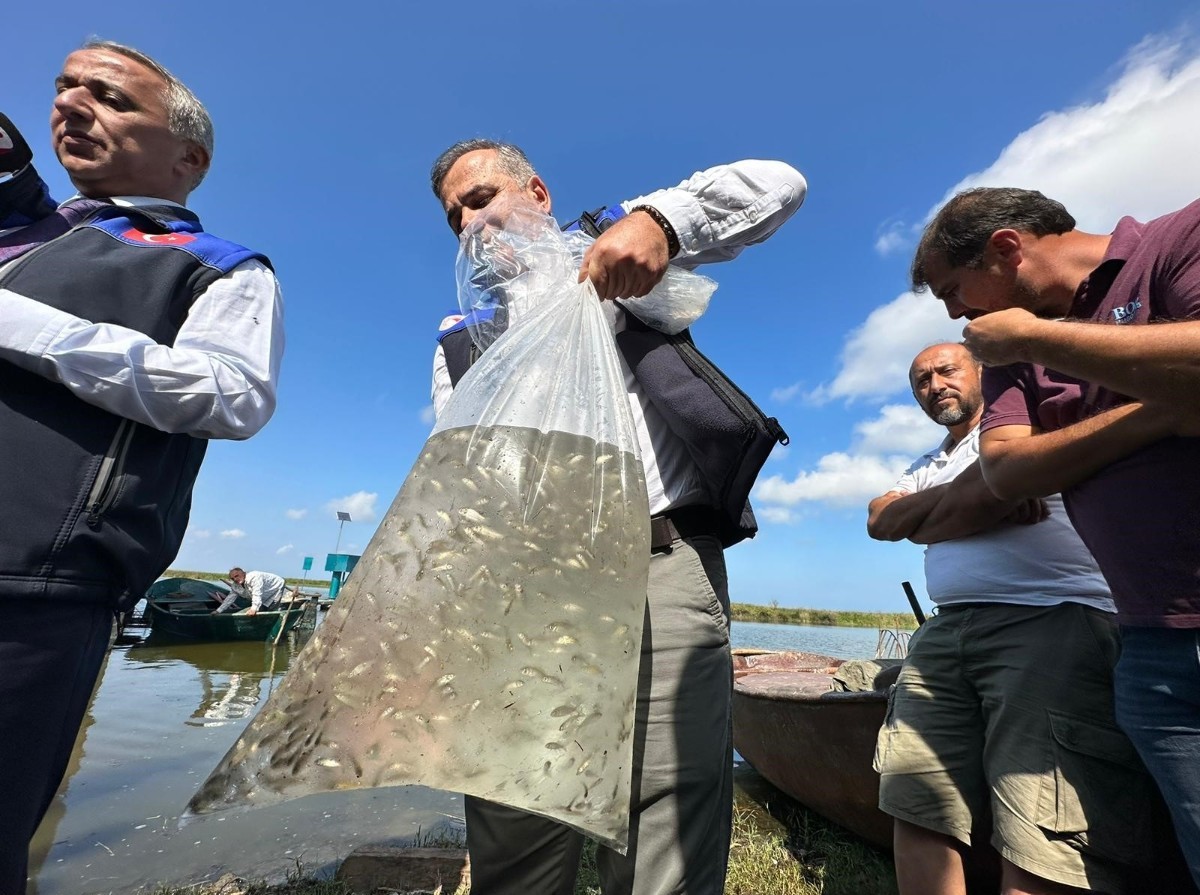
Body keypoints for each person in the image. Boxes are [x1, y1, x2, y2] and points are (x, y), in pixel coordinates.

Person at [428, 139, 805, 894]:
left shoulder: (619, 256)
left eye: (477, 199)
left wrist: (660, 222)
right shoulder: (458, 343)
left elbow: (780, 184)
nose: (468, 224)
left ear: (535, 189)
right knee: (515, 822)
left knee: (663, 826)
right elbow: (462, 476)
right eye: (452, 219)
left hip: (659, 566)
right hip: (528, 594)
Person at [0, 41, 283, 893]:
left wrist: (19, 327)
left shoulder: (216, 265)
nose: (71, 105)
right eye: (63, 89)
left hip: (28, 587)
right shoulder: (25, 231)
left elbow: (231, 395)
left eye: (110, 97)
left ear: (188, 157)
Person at [909, 187, 1200, 887]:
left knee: (1050, 832)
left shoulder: (1176, 241)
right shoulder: (1009, 354)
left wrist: (1039, 339)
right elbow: (1008, 468)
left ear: (1007, 248)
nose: (955, 315)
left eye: (955, 289)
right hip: (1151, 644)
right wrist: (1160, 409)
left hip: (1079, 626)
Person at [867, 342, 1149, 895]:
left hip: (1049, 618)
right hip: (946, 629)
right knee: (916, 796)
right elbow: (881, 519)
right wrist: (986, 492)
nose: (934, 386)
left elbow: (922, 516)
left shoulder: (1032, 423)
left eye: (946, 370)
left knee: (1041, 816)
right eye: (921, 380)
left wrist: (932, 516)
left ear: (980, 372)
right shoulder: (930, 461)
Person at [214, 567, 287, 615]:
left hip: (276, 586)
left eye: (237, 576)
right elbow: (229, 599)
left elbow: (257, 593)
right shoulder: (235, 585)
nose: (235, 579)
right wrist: (218, 611)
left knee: (270, 607)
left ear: (243, 573)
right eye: (233, 578)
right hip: (263, 592)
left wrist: (254, 609)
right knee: (260, 605)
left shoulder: (254, 577)